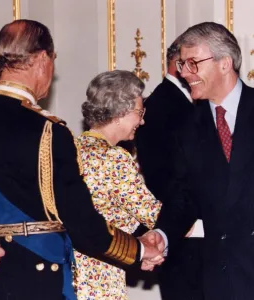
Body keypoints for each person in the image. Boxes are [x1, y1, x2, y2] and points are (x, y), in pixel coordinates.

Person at [0, 20, 162, 300]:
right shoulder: (50, 132)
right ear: (42, 59)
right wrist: (139, 252)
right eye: (52, 60)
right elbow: (84, 226)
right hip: (40, 283)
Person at [150, 22, 254, 300]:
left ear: (225, 63)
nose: (184, 73)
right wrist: (163, 234)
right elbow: (183, 197)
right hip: (219, 277)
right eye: (182, 64)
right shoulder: (185, 127)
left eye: (193, 63)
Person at [74, 70, 162, 299]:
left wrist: (141, 250)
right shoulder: (114, 158)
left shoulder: (72, 148)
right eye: (139, 112)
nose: (142, 121)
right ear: (121, 112)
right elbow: (154, 214)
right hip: (100, 278)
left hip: (71, 274)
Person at [135, 40, 204, 300]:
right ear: (179, 64)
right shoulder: (162, 105)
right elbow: (160, 177)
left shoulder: (188, 103)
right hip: (183, 233)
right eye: (192, 63)